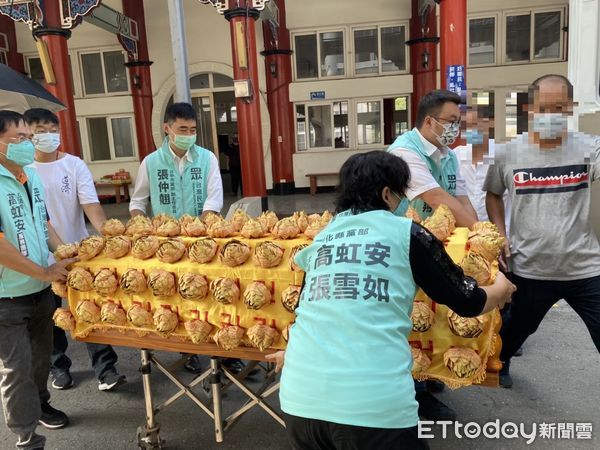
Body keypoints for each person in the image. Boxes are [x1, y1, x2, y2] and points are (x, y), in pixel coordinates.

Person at [266, 151, 516, 449]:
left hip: (299, 403)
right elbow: (468, 301)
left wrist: (291, 353)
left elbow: (308, 310)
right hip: (372, 408)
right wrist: (502, 287)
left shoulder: (323, 238)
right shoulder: (406, 233)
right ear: (387, 194)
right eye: (402, 194)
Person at [484, 74, 600, 388]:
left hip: (584, 267)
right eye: (543, 107)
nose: (550, 115)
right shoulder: (508, 154)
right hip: (531, 266)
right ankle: (500, 361)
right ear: (529, 108)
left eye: (559, 107)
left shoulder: (590, 148)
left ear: (571, 108)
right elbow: (493, 193)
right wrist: (500, 233)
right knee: (518, 329)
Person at [130, 102, 249, 375]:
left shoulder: (207, 158)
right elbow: (138, 200)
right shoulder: (151, 162)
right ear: (167, 128)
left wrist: (202, 224)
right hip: (166, 246)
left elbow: (214, 196)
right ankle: (190, 350)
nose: (188, 134)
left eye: (193, 129)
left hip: (203, 241)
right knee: (179, 296)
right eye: (182, 129)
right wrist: (141, 223)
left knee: (215, 294)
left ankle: (227, 353)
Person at [387, 89, 478, 420]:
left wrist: (481, 235)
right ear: (429, 121)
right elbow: (440, 198)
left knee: (433, 309)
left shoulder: (447, 153)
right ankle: (416, 392)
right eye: (451, 122)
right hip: (403, 246)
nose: (456, 128)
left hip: (433, 246)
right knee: (411, 316)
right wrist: (480, 234)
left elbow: (462, 199)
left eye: (458, 122)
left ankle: (428, 372)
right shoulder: (404, 153)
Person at [25, 108, 126, 393]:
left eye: (51, 129)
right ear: (28, 136)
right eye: (39, 130)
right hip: (42, 256)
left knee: (90, 309)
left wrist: (108, 234)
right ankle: (59, 367)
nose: (47, 135)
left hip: (81, 252)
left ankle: (106, 369)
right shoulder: (23, 171)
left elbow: (90, 204)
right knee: (51, 315)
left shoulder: (74, 165)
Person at [0, 110, 78, 447]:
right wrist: (44, 270)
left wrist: (64, 253)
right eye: (19, 138)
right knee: (17, 368)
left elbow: (42, 223)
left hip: (40, 290)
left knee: (41, 358)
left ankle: (42, 405)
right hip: (7, 296)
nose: (27, 144)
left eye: (27, 138)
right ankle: (26, 436)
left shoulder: (28, 175)